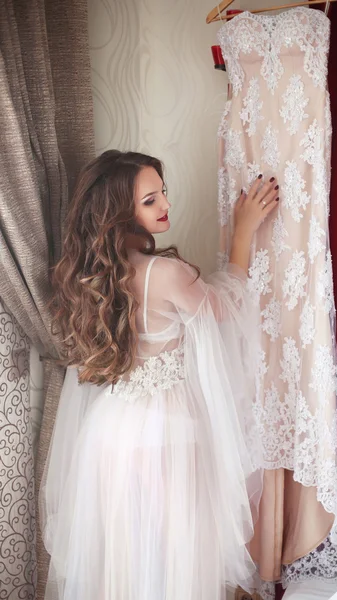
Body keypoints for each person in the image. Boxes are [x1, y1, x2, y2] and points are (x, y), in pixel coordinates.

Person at [40, 150, 279, 600]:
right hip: (166, 435)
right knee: (173, 561)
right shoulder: (165, 274)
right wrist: (244, 231)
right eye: (151, 200)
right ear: (119, 214)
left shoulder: (88, 277)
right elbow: (228, 307)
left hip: (107, 435)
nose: (166, 204)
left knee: (125, 561)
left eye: (162, 192)